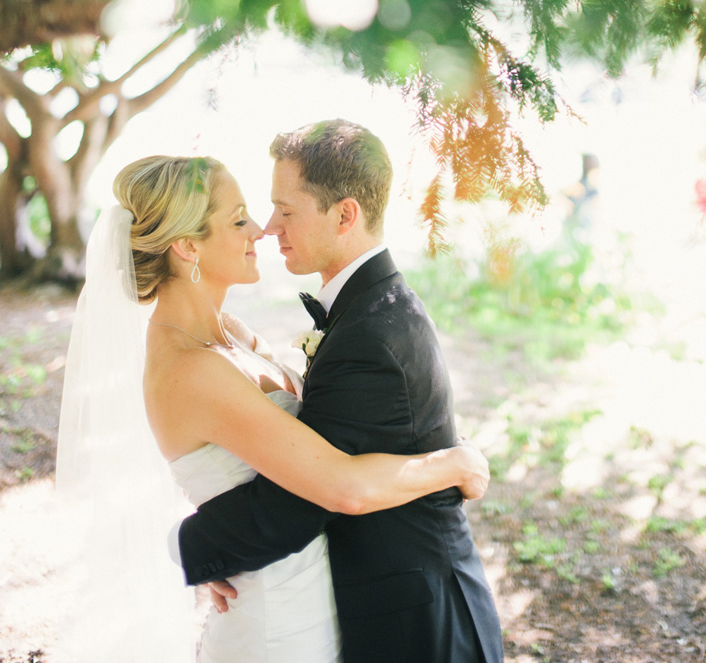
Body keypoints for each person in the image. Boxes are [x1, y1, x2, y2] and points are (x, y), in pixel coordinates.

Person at [56, 152, 489, 663]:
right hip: (279, 624)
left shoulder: (231, 335)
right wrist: (455, 463)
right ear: (187, 246)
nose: (260, 229)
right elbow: (341, 485)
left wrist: (209, 546)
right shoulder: (191, 368)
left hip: (317, 595)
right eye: (239, 218)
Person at [177, 120, 504, 663]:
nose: (268, 227)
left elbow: (296, 502)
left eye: (287, 210)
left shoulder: (369, 333)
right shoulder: (374, 306)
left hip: (420, 626)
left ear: (345, 214)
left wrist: (182, 553)